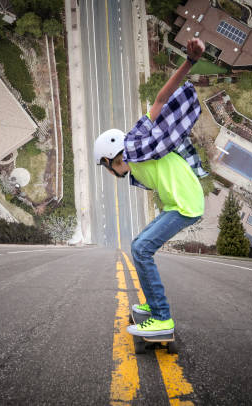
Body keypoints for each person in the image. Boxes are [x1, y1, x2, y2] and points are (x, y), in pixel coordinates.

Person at [93, 38, 207, 337]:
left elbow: (160, 100)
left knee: (142, 249)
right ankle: (154, 306)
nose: (110, 172)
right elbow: (155, 104)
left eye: (106, 166)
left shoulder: (135, 145)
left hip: (186, 204)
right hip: (177, 204)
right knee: (138, 245)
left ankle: (161, 317)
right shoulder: (134, 160)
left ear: (110, 158)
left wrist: (190, 63)